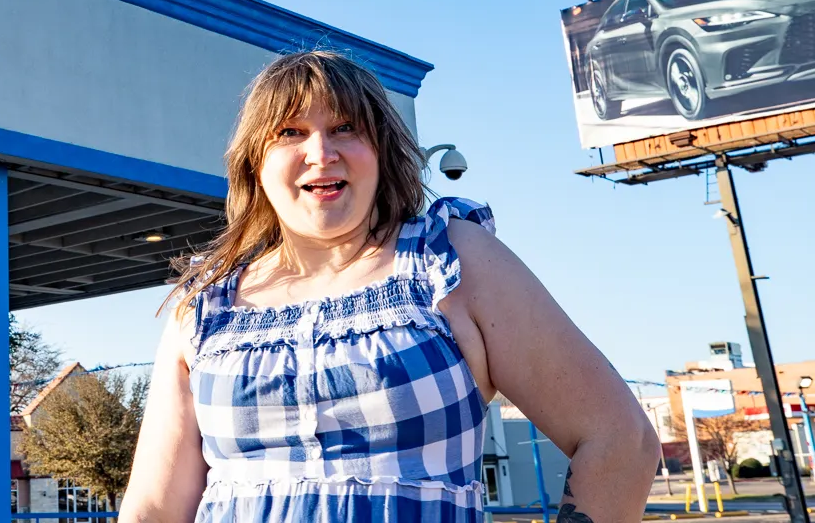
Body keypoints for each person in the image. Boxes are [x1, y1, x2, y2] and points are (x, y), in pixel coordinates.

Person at [119, 50, 658, 523]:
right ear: (255, 163)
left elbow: (620, 441)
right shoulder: (206, 303)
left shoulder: (452, 262)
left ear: (382, 153)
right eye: (290, 132)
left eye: (346, 128)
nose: (321, 152)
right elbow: (153, 508)